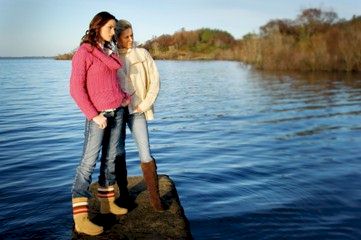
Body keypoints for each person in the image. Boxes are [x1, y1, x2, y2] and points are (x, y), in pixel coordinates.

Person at [69, 11, 131, 236]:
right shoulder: (84, 52)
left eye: (115, 28)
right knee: (88, 163)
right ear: (97, 26)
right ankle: (81, 218)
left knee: (111, 159)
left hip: (118, 112)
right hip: (98, 116)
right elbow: (76, 89)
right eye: (110, 27)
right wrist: (94, 115)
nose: (113, 32)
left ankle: (107, 202)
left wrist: (124, 98)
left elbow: (111, 81)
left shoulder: (110, 51)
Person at [114, 19, 163, 211]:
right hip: (117, 111)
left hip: (138, 109)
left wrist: (145, 104)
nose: (131, 39)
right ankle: (124, 195)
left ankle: (155, 199)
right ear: (117, 37)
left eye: (132, 35)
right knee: (118, 152)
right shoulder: (110, 56)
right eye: (126, 36)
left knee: (145, 152)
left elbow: (155, 81)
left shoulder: (142, 54)